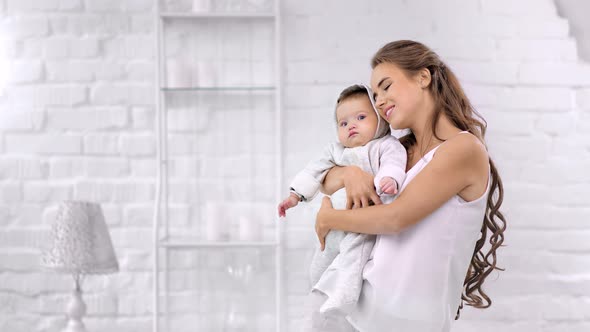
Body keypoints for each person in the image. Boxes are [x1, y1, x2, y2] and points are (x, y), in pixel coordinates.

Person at [314, 40, 507, 332]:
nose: (378, 101)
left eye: (386, 86)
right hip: (356, 315)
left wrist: (329, 218)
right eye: (375, 95)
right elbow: (326, 181)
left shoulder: (463, 149)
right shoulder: (399, 151)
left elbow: (395, 219)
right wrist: (351, 173)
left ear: (423, 77)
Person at [277, 84, 407, 319]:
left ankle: (344, 298)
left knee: (352, 258)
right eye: (343, 123)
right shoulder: (335, 150)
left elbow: (395, 163)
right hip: (333, 229)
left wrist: (390, 179)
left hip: (362, 222)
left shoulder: (386, 146)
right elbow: (313, 170)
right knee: (321, 262)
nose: (351, 126)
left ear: (381, 120)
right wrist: (295, 196)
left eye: (360, 117)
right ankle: (317, 291)